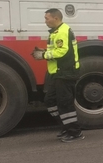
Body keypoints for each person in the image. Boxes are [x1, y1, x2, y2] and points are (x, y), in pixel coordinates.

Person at [32, 8, 83, 142]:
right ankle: (66, 127)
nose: (45, 21)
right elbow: (58, 50)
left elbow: (63, 52)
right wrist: (44, 51)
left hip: (65, 72)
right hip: (58, 73)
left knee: (65, 103)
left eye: (46, 18)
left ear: (55, 18)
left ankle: (75, 132)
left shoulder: (62, 31)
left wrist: (43, 55)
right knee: (50, 100)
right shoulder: (56, 32)